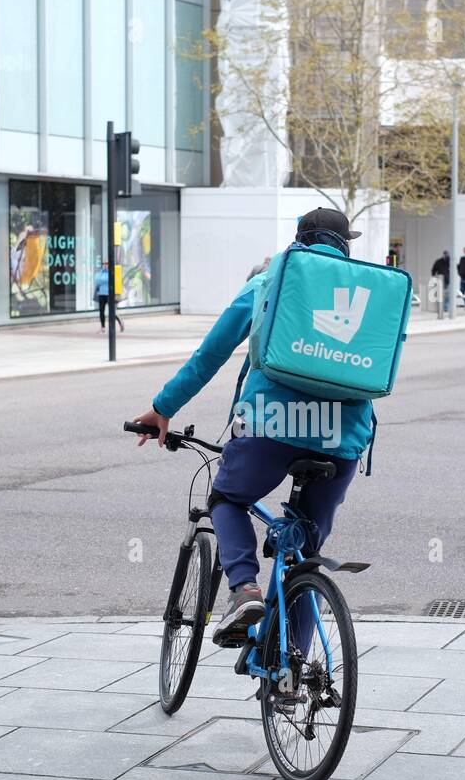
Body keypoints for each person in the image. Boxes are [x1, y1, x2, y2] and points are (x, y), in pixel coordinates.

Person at [130, 207, 374, 646]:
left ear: (298, 240)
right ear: (345, 246)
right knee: (307, 554)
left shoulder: (269, 282)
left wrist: (164, 407)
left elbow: (211, 355)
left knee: (226, 499)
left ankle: (244, 589)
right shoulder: (370, 294)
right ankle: (295, 673)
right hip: (343, 438)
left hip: (270, 425)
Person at [94, 259, 122, 334]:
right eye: (104, 264)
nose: (105, 265)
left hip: (109, 294)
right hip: (101, 294)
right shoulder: (100, 273)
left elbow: (105, 280)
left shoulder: (111, 272)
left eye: (107, 264)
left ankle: (120, 323)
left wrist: (101, 280)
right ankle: (103, 328)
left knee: (112, 312)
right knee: (101, 312)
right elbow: (97, 280)